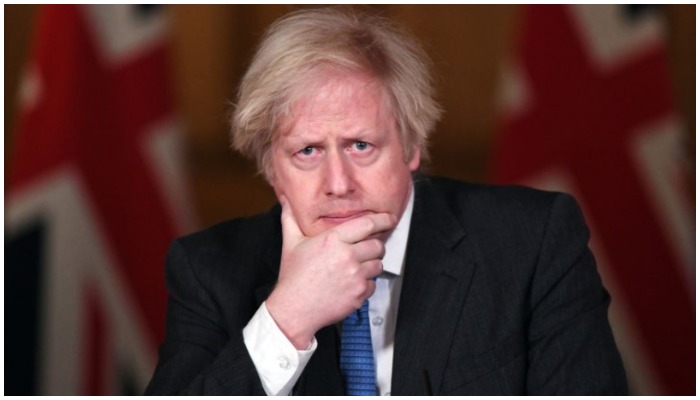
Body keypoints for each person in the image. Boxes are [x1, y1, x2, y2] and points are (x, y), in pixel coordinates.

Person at [145, 7, 627, 395]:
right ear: (273, 170)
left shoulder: (533, 242)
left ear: (412, 146)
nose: (339, 183)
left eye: (361, 146)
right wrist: (287, 318)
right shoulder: (208, 270)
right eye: (307, 151)